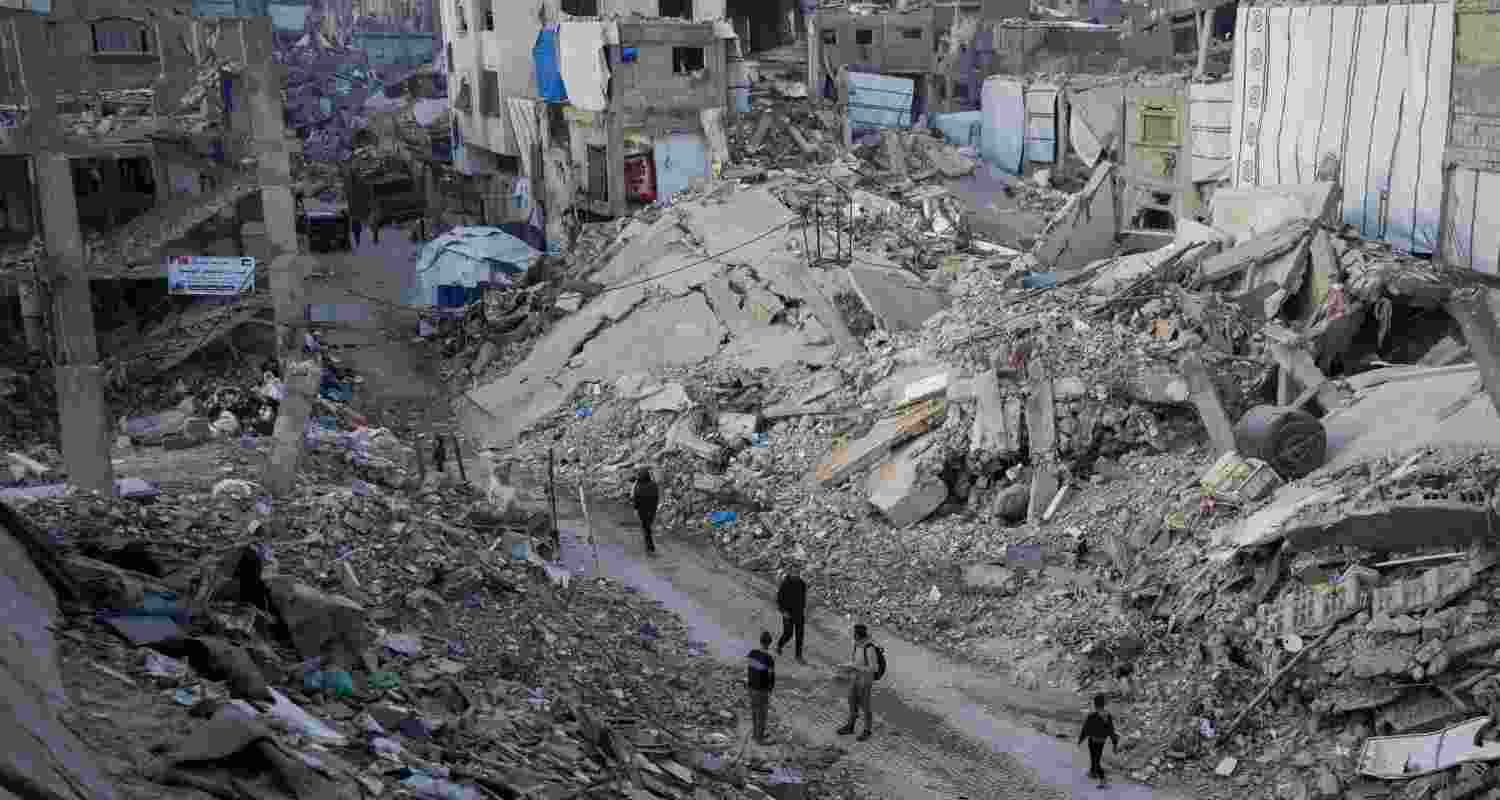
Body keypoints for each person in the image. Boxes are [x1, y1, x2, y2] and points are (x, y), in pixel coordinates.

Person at [836, 623, 876, 741]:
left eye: (855, 633)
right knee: (852, 702)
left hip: (865, 681)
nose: (853, 635)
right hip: (855, 679)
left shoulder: (870, 648)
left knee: (865, 706)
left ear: (859, 635)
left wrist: (856, 668)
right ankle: (850, 726)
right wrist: (847, 667)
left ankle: (867, 730)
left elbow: (874, 668)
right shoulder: (856, 645)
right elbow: (856, 662)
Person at [1078, 694, 1120, 787]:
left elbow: (1086, 729)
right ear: (1103, 704)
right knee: (1096, 757)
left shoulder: (1092, 716)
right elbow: (1111, 730)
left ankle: (1103, 778)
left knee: (1095, 759)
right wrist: (1114, 743)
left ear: (1095, 704)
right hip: (1102, 741)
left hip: (1093, 740)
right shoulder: (1108, 716)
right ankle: (1093, 772)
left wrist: (1081, 739)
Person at [747, 631, 776, 745]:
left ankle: (755, 734)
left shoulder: (752, 653)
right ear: (770, 643)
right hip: (761, 690)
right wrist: (770, 690)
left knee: (754, 711)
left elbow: (750, 669)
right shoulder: (769, 659)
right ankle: (760, 739)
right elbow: (771, 677)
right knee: (762, 714)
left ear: (760, 641)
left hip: (751, 688)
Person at [775, 567, 808, 664]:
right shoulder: (785, 583)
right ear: (791, 573)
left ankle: (798, 656)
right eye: (795, 573)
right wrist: (783, 611)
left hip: (799, 613)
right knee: (788, 633)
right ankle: (779, 645)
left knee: (800, 635)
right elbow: (779, 599)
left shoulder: (802, 584)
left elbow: (803, 598)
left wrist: (804, 608)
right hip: (788, 613)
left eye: (798, 573)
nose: (797, 574)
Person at [631, 467, 660, 554]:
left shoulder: (638, 486)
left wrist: (635, 509)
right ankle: (650, 546)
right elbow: (656, 497)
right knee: (647, 527)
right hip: (652, 509)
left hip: (642, 511)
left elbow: (636, 499)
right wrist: (655, 507)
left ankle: (650, 546)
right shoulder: (654, 485)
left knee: (646, 528)